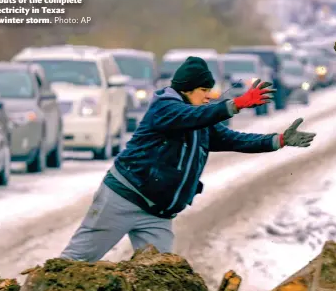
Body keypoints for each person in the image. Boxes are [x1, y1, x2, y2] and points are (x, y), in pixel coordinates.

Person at [60, 56, 316, 261]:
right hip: (121, 200)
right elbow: (192, 117)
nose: (208, 96)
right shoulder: (165, 108)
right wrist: (235, 104)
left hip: (157, 215)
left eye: (210, 90)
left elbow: (233, 139)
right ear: (186, 89)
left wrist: (278, 140)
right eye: (204, 90)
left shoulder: (200, 118)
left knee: (160, 280)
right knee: (73, 263)